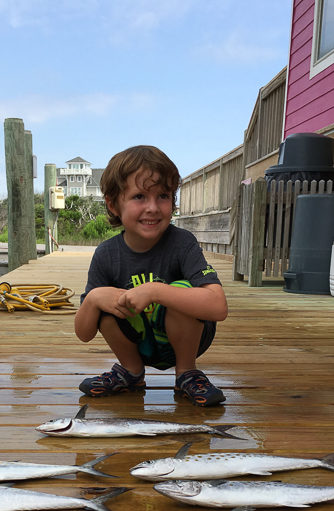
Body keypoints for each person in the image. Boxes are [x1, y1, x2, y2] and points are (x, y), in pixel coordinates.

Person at [74, 145, 228, 407]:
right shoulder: (106, 254)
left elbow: (218, 306)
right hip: (139, 343)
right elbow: (84, 333)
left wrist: (156, 291)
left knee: (182, 289)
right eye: (139, 197)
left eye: (163, 196)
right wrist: (94, 299)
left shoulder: (182, 243)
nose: (153, 207)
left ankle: (187, 374)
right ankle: (131, 373)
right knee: (104, 301)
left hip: (186, 340)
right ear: (113, 204)